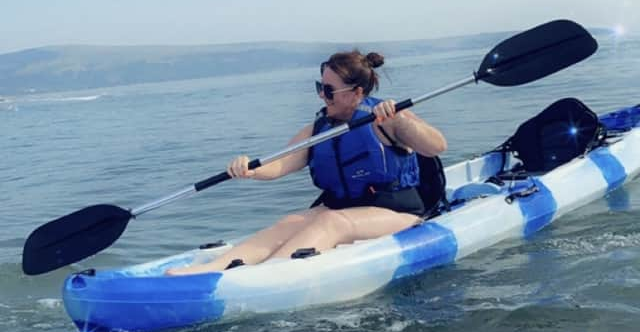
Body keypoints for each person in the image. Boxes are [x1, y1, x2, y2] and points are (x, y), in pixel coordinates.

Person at [166, 50, 447, 275]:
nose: (321, 95)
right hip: (345, 207)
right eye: (319, 87)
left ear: (357, 92)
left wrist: (399, 119)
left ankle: (266, 276)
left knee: (331, 221)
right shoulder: (319, 128)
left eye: (328, 90)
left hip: (399, 212)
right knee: (290, 222)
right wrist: (248, 170)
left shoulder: (385, 118)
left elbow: (437, 145)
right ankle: (211, 270)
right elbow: (280, 165)